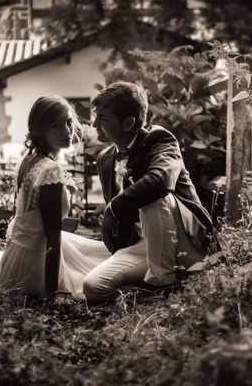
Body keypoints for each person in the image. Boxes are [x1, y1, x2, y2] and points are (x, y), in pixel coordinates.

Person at [0, 95, 111, 299]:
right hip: (35, 269)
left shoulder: (28, 160)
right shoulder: (50, 170)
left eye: (69, 122)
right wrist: (53, 292)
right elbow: (52, 237)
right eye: (56, 125)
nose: (67, 131)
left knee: (91, 251)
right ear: (41, 131)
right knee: (100, 266)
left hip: (14, 262)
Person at [82, 81, 219, 304]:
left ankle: (162, 282)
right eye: (96, 116)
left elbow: (160, 182)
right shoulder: (105, 159)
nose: (95, 123)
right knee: (93, 287)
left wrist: (113, 208)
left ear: (128, 123)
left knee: (152, 196)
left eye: (103, 118)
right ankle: (153, 290)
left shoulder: (159, 139)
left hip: (185, 241)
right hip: (142, 246)